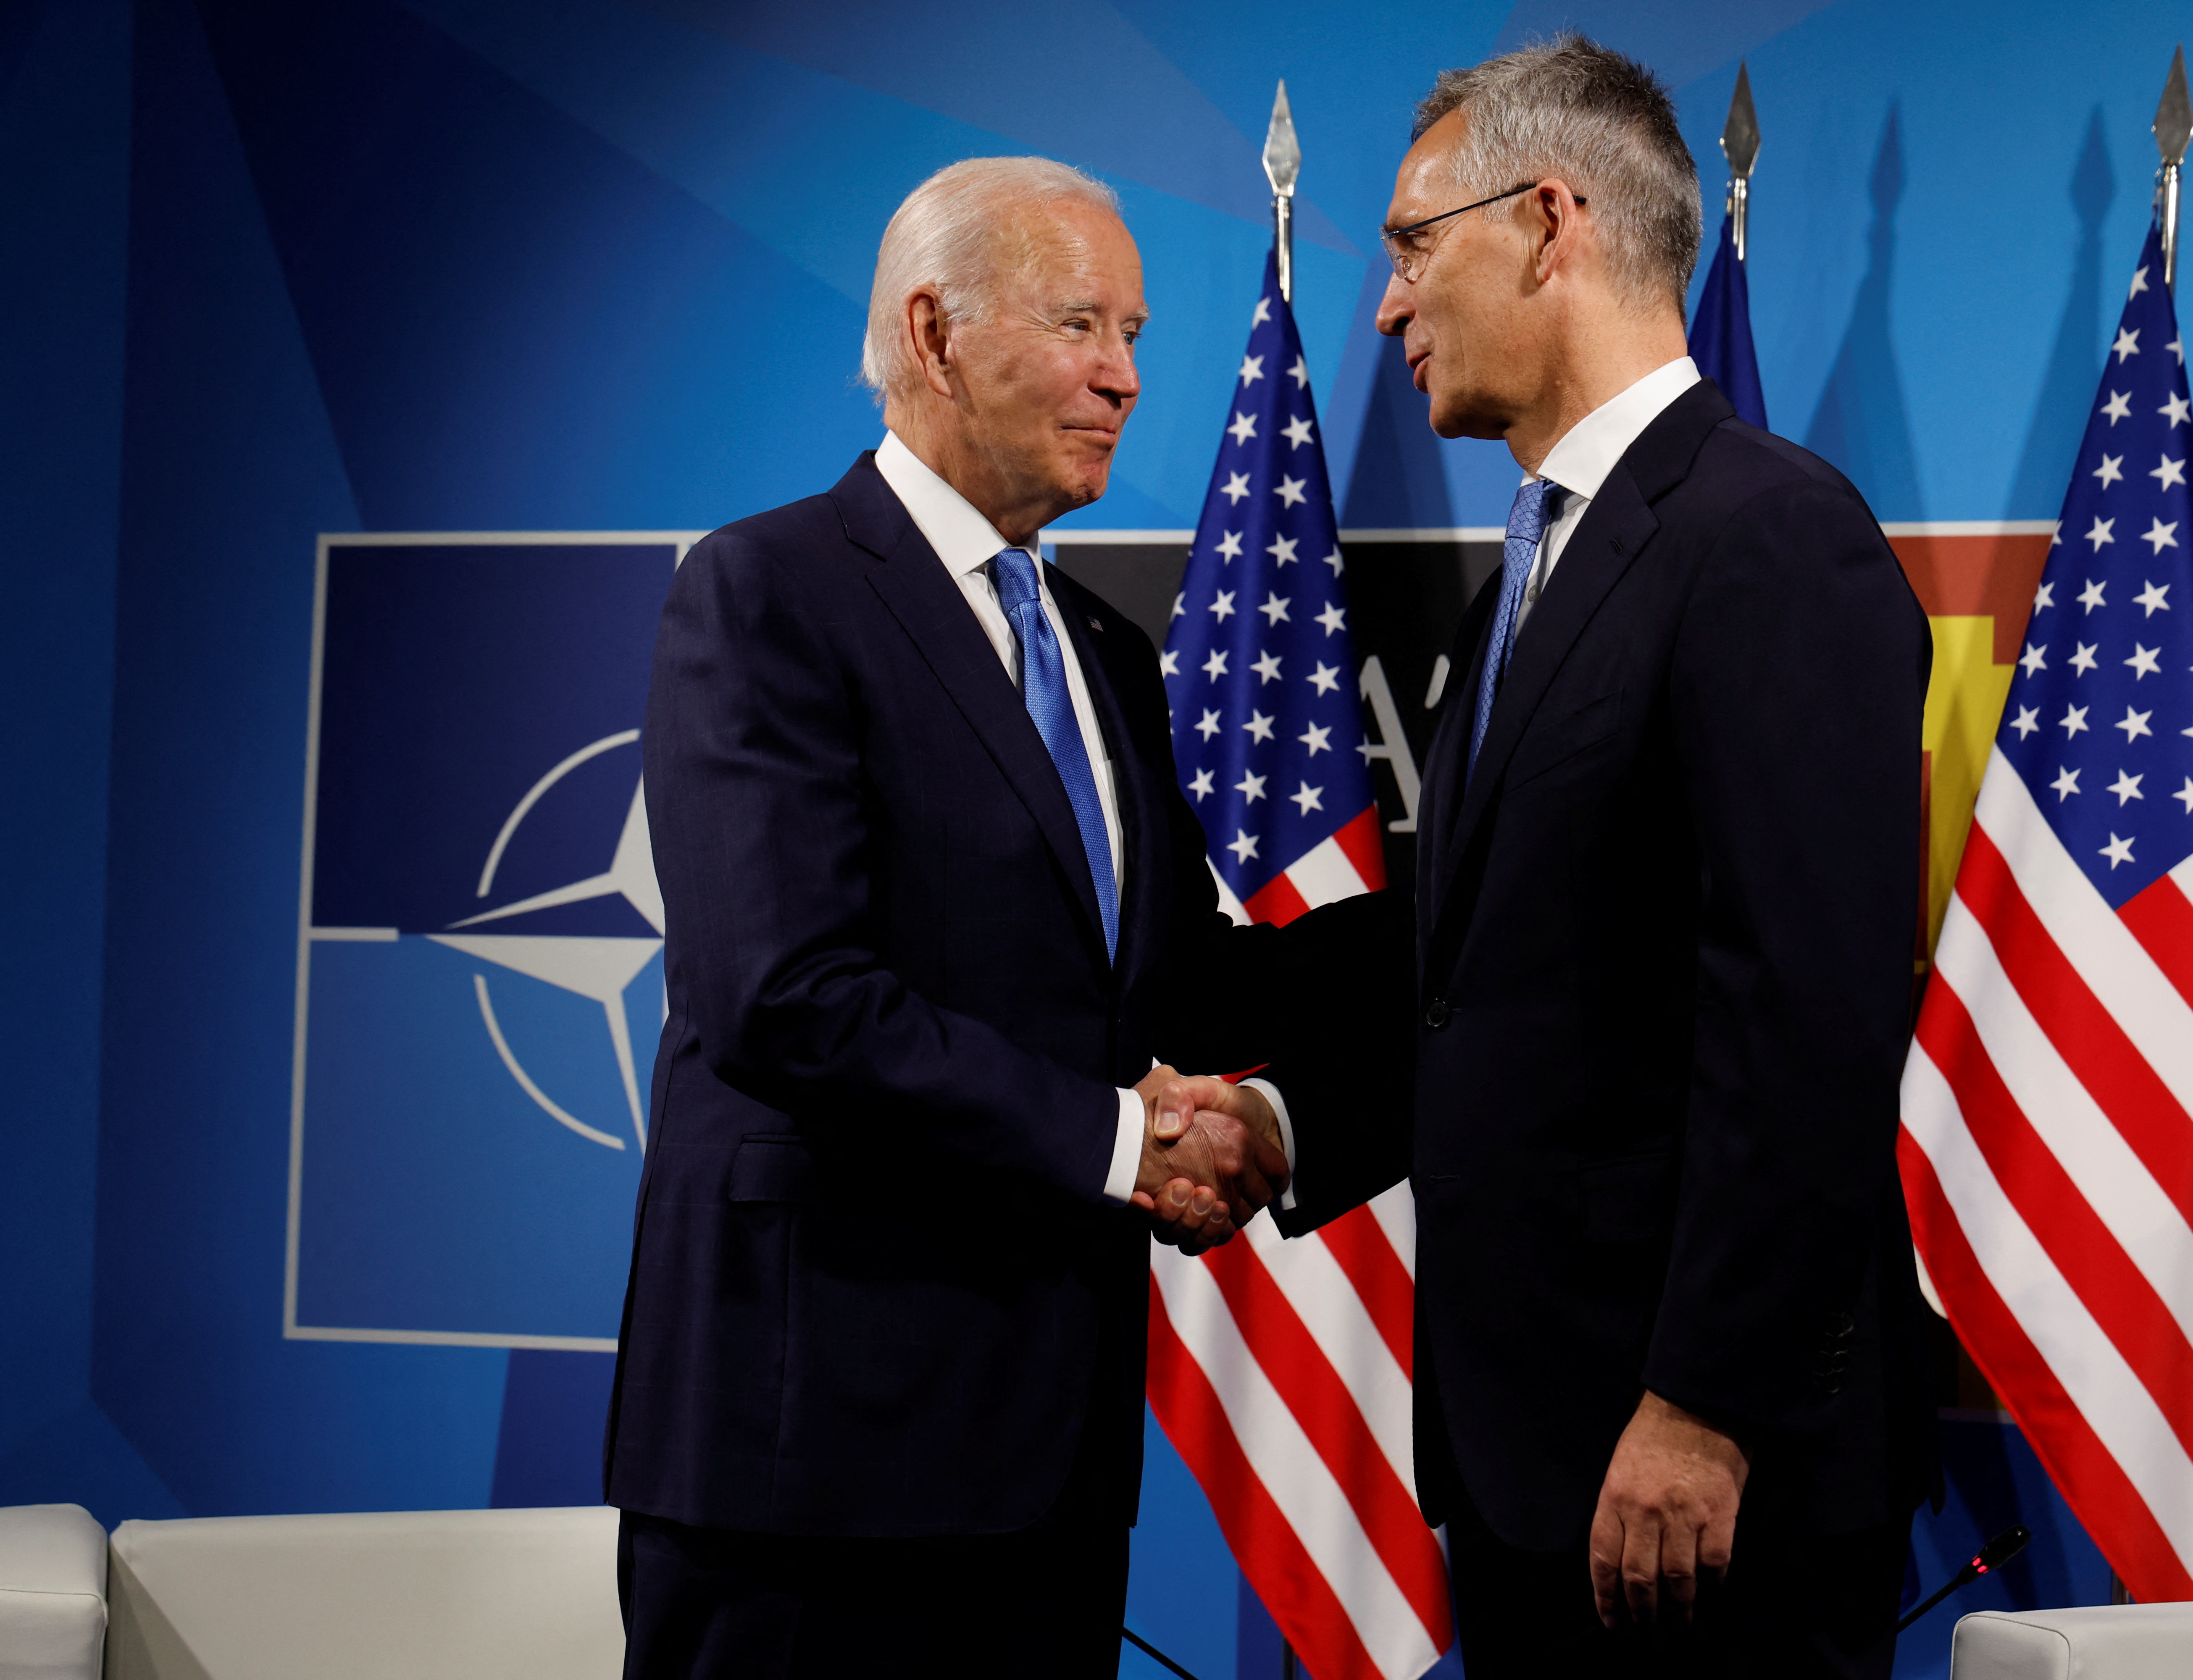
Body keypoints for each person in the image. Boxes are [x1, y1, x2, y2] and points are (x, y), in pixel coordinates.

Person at [1169, 35, 1940, 1677]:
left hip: (1700, 1485)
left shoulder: (1765, 540)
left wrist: (1705, 1409)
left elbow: (1807, 1010)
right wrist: (1282, 1120)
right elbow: (1491, 973)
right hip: (1538, 1472)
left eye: (1409, 245)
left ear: (1547, 219)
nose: (1386, 307)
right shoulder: (1546, 570)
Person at [607, 156, 1286, 1679]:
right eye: (1080, 326)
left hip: (1044, 1469)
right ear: (933, 334)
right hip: (809, 1475)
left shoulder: (1105, 647)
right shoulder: (767, 591)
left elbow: (1176, 989)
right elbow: (785, 994)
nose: (1123, 377)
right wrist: (1129, 1145)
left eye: (1134, 333)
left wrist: (1472, 924)